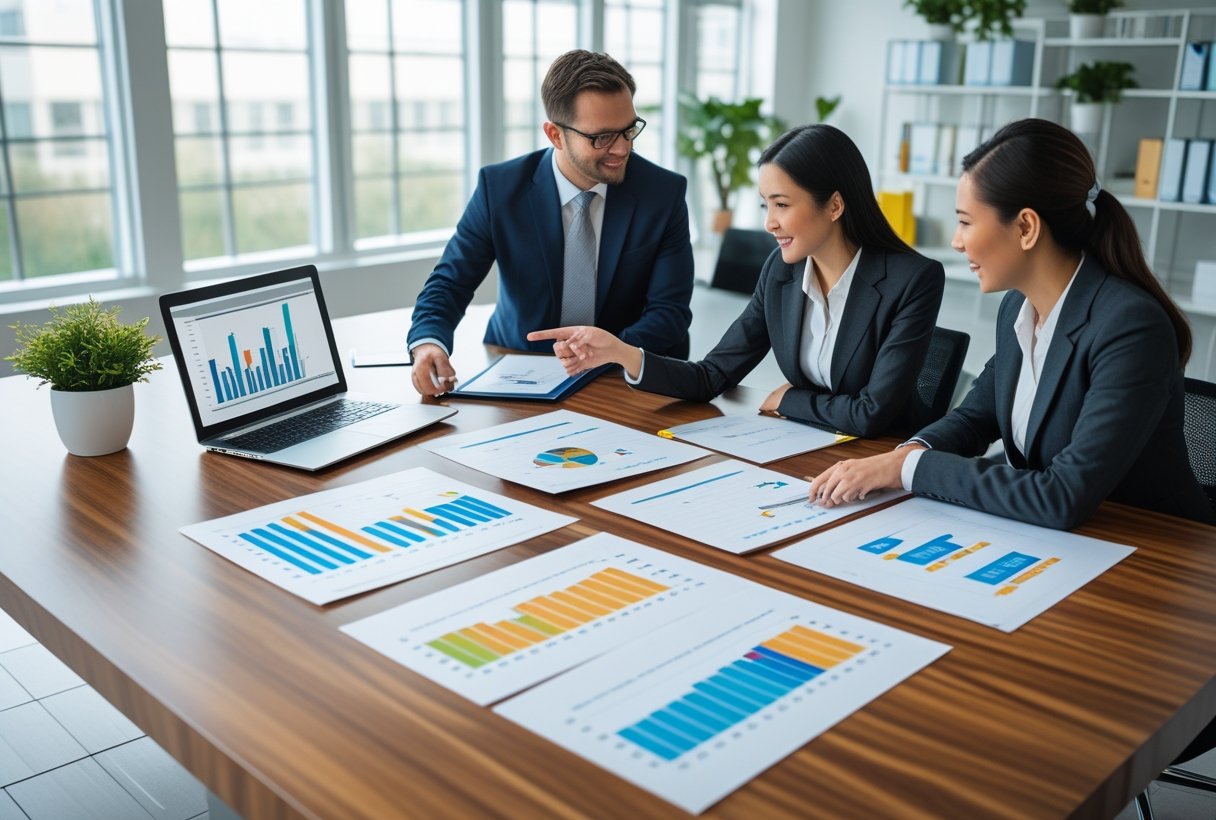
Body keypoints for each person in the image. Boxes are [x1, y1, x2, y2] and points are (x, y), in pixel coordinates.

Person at [807, 118, 1215, 529]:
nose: (956, 240)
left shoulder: (1131, 327)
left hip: (1155, 550)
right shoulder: (1018, 307)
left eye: (966, 221)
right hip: (1060, 542)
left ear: (1025, 227)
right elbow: (975, 418)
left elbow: (1061, 496)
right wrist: (902, 456)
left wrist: (909, 470)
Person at [528, 123, 946, 438]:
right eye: (765, 205)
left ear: (835, 205)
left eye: (781, 204)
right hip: (802, 446)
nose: (769, 222)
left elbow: (872, 414)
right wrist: (623, 353)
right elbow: (713, 375)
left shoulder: (913, 280)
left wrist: (790, 399)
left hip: (877, 461)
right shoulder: (782, 271)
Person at [407, 49, 694, 397]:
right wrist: (428, 343)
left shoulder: (663, 193)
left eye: (629, 130)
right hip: (518, 367)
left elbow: (670, 313)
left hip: (625, 376)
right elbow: (450, 283)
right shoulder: (499, 189)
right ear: (555, 134)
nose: (622, 149)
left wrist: (606, 352)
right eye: (602, 137)